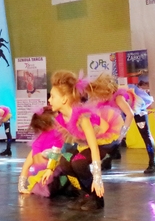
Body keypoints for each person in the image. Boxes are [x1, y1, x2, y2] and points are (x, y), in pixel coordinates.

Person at [43, 71, 117, 211]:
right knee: (65, 161)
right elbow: (58, 144)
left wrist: (97, 178)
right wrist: (49, 168)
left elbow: (94, 147)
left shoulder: (82, 117)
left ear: (64, 99)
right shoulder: (60, 119)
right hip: (85, 144)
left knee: (78, 162)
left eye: (52, 96)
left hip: (105, 143)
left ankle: (97, 199)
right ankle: (85, 194)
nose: (49, 100)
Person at [80, 73, 135, 168]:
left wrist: (122, 134)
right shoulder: (100, 99)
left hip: (127, 117)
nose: (98, 98)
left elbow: (130, 114)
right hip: (112, 121)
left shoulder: (118, 98)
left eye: (100, 96)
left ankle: (112, 153)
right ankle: (109, 156)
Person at [18, 106, 66, 197]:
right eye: (57, 118)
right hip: (49, 178)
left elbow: (26, 165)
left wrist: (21, 186)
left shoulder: (39, 141)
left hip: (43, 178)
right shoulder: (55, 136)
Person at [130, 79, 155, 174]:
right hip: (123, 103)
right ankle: (109, 158)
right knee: (114, 133)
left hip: (136, 102)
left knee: (146, 134)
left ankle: (153, 162)